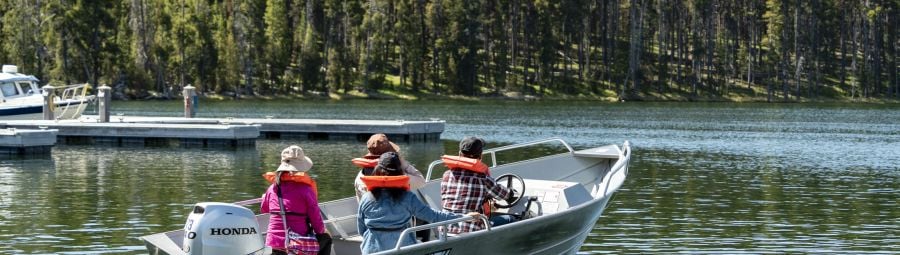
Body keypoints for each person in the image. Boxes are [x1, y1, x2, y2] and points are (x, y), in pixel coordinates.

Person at [357, 152, 479, 254]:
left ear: (377, 171)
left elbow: (361, 229)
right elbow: (434, 216)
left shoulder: (366, 197)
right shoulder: (407, 197)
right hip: (401, 249)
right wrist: (464, 217)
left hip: (371, 250)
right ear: (400, 172)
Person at [261, 145, 332, 255]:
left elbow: (264, 209)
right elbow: (317, 223)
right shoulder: (306, 190)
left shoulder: (272, 189)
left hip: (272, 243)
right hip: (296, 243)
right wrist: (323, 231)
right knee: (326, 238)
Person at [440, 136, 516, 234]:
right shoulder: (483, 179)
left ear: (459, 154)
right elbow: (505, 195)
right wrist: (511, 193)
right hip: (470, 230)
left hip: (444, 229)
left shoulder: (446, 175)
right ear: (480, 156)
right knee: (510, 219)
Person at [352, 133, 426, 200]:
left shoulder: (360, 177)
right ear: (389, 155)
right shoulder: (397, 176)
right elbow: (421, 182)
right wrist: (404, 163)